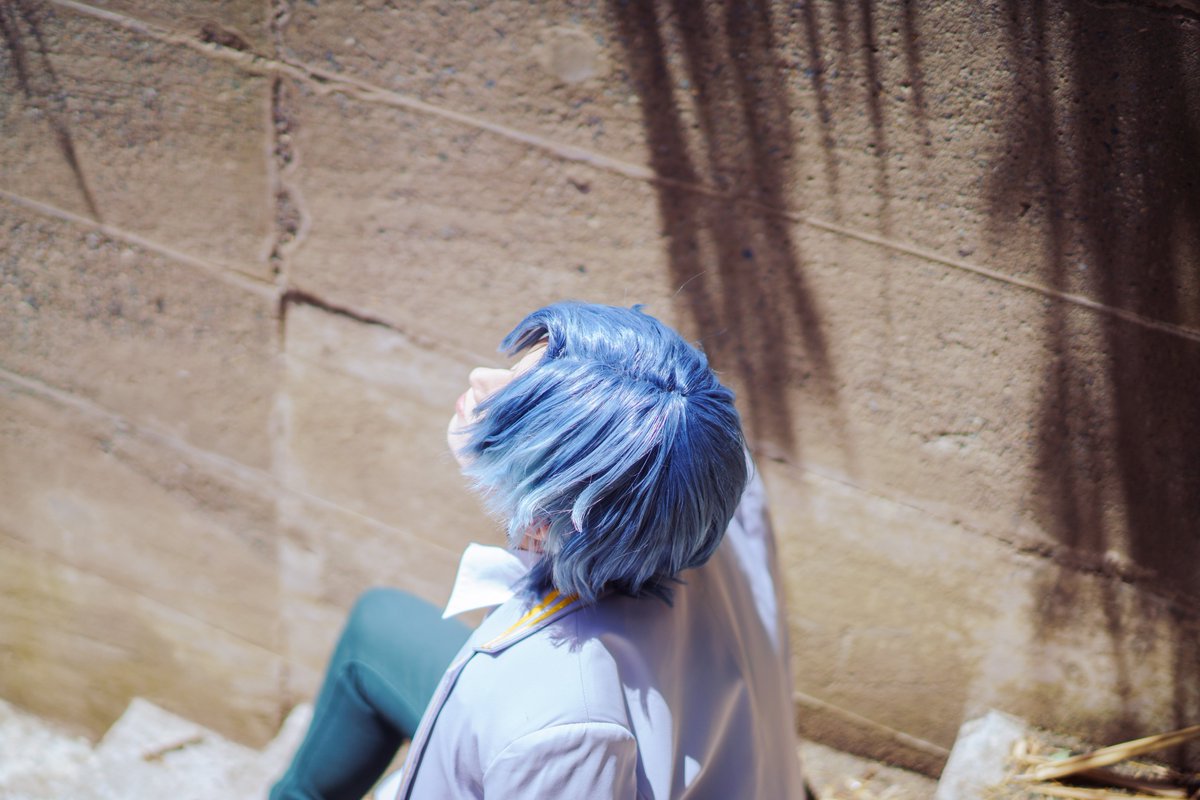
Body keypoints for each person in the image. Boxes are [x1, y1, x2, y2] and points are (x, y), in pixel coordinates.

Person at [271, 302, 803, 799]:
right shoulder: (700, 460)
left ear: (541, 525)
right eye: (518, 370)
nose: (480, 377)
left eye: (512, 408)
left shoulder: (556, 726)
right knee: (378, 623)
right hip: (739, 749)